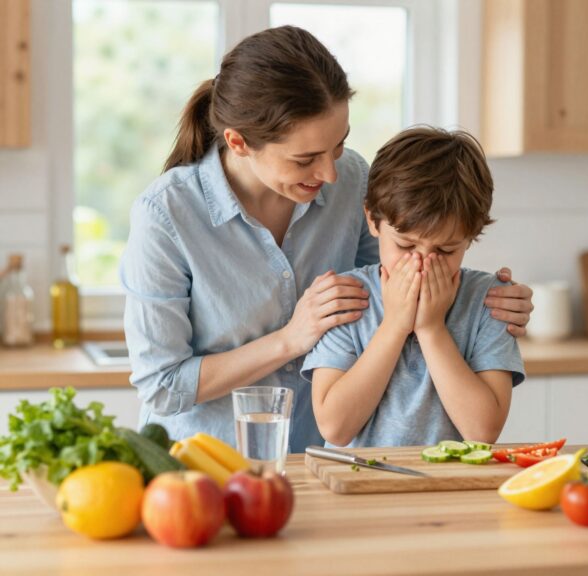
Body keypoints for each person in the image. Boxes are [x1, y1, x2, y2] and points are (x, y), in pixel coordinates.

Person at [120, 26, 533, 454]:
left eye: (338, 145)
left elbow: (393, 285)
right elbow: (163, 386)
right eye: (306, 159)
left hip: (318, 464)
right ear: (239, 142)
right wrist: (290, 339)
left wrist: (491, 299)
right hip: (206, 465)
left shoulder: (352, 178)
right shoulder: (166, 214)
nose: (331, 174)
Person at [302, 127, 525, 448]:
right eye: (405, 245)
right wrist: (394, 324)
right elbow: (335, 428)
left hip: (452, 492)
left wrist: (432, 329)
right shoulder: (346, 298)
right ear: (372, 220)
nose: (422, 263)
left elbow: (483, 432)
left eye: (446, 250)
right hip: (358, 491)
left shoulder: (489, 301)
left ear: (471, 237)